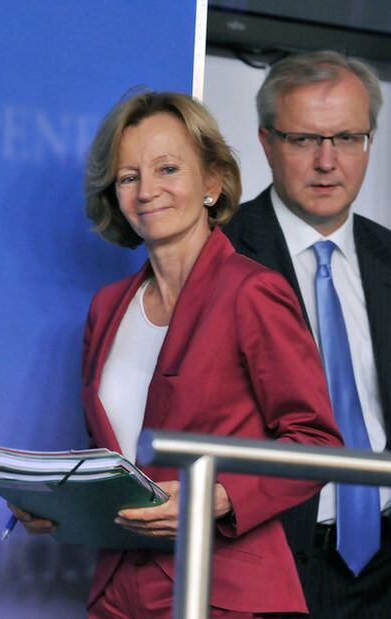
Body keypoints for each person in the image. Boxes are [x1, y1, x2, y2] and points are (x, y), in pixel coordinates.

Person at [11, 91, 342, 618]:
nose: (147, 191)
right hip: (118, 590)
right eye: (127, 176)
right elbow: (113, 459)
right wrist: (58, 506)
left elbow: (318, 444)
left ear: (212, 182)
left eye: (167, 168)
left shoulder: (252, 292)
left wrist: (216, 498)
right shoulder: (107, 308)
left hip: (221, 588)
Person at [224, 51, 391, 619]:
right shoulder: (216, 254)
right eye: (303, 140)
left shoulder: (388, 257)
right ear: (266, 142)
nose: (328, 161)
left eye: (347, 137)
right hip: (268, 562)